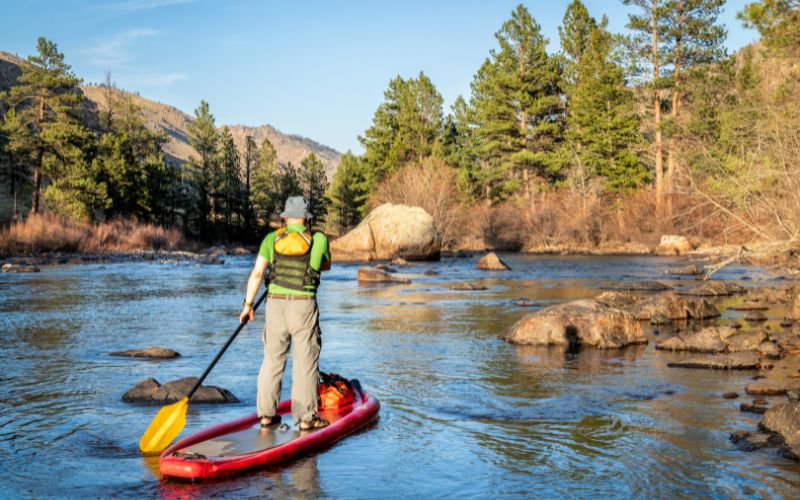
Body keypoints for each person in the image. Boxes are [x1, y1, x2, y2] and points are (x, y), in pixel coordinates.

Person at [240, 196, 331, 430]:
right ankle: (306, 418)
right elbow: (325, 266)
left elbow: (258, 273)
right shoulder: (318, 239)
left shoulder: (271, 239)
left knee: (272, 361)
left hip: (275, 306)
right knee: (305, 362)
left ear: (286, 217)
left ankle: (267, 415)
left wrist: (248, 305)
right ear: (306, 217)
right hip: (303, 307)